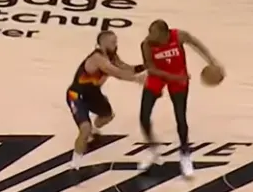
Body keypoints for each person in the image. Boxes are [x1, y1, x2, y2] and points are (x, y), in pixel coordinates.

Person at [138, 19, 224, 177]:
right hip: (159, 76)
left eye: (154, 33)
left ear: (165, 34)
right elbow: (151, 69)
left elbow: (196, 44)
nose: (150, 36)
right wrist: (172, 77)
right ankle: (152, 149)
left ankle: (185, 154)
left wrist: (212, 61)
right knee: (144, 116)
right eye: (150, 32)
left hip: (178, 75)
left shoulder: (178, 36)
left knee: (180, 117)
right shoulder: (146, 44)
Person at [66, 30, 146, 169]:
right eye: (113, 42)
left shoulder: (112, 56)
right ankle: (75, 164)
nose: (116, 45)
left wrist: (145, 66)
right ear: (103, 43)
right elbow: (117, 73)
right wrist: (136, 79)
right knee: (85, 129)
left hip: (93, 94)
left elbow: (127, 68)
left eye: (116, 42)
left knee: (107, 116)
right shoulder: (97, 58)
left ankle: (94, 129)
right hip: (77, 95)